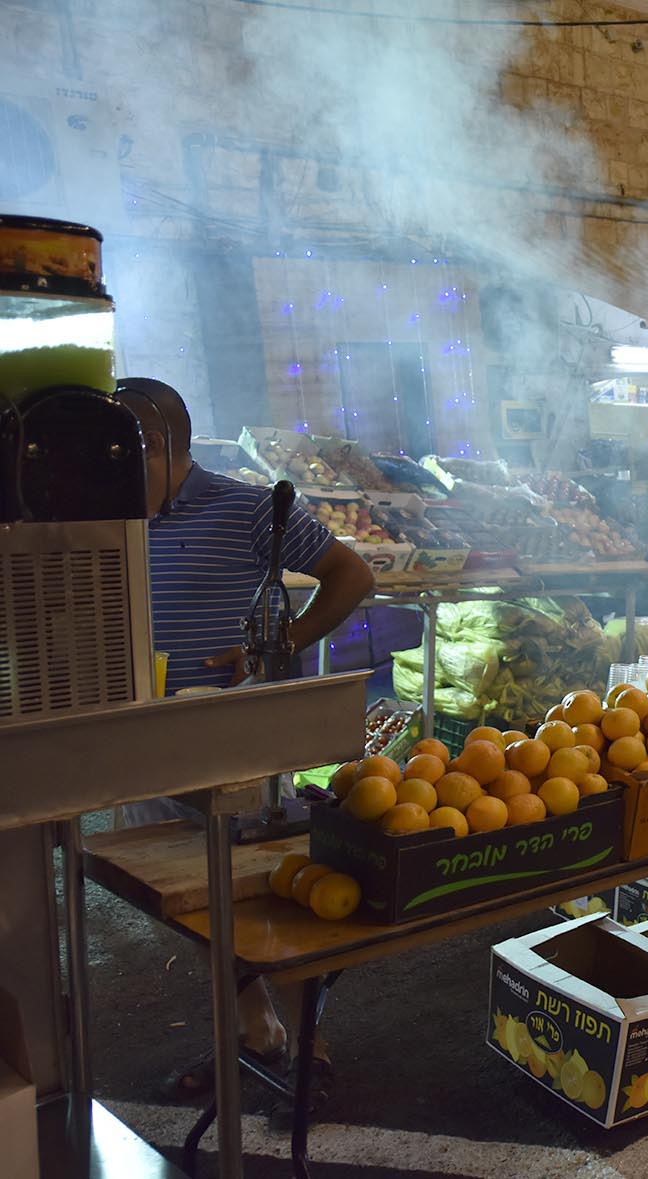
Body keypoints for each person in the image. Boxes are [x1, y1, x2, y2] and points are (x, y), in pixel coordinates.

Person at [122, 378, 374, 1099]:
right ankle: (251, 1033)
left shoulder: (249, 507)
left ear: (167, 446)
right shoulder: (108, 519)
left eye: (128, 456)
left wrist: (281, 641)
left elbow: (351, 574)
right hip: (142, 748)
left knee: (274, 901)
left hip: (238, 745)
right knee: (195, 911)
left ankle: (311, 1049)